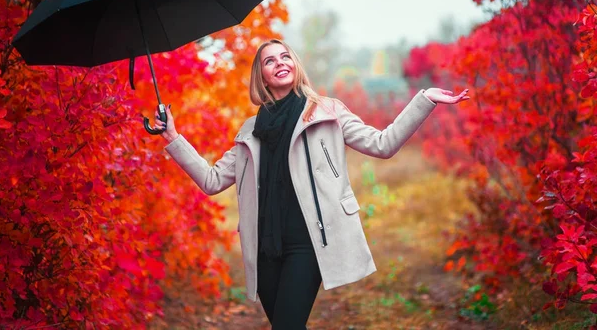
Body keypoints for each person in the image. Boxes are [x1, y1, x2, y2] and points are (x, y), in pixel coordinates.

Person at [153, 39, 469, 329]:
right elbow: (211, 180)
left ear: (295, 64)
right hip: (265, 248)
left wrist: (425, 100)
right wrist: (173, 137)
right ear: (261, 77)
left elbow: (383, 144)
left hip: (308, 244)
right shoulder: (251, 131)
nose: (280, 63)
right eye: (269, 61)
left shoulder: (326, 112)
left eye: (285, 56)